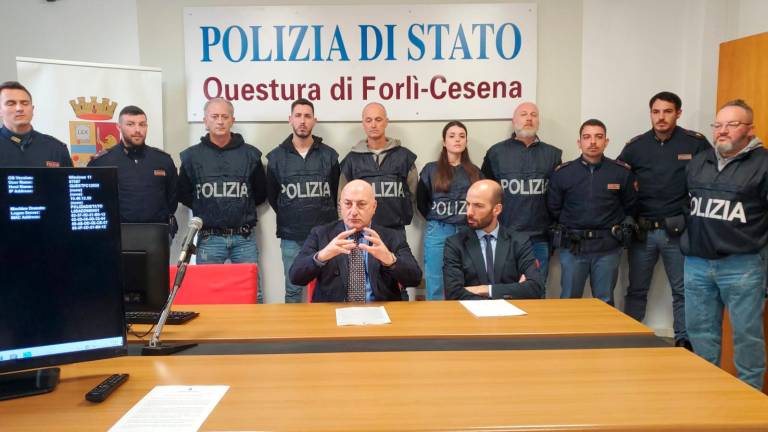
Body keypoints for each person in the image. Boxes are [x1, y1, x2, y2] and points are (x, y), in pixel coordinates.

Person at [681, 99, 767, 390]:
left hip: (741, 266)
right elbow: (686, 206)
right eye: (718, 125)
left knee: (747, 336)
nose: (723, 131)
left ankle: (750, 401)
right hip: (696, 264)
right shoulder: (699, 161)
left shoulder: (763, 164)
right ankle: (708, 395)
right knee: (701, 334)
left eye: (732, 124)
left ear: (750, 129)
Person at [618, 91, 710, 350]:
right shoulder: (636, 146)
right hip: (643, 231)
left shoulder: (695, 143)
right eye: (656, 112)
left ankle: (684, 341)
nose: (661, 117)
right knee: (636, 289)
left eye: (667, 111)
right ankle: (629, 337)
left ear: (678, 113)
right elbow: (620, 182)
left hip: (678, 232)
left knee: (682, 291)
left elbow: (711, 180)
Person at [177, 97, 267, 302]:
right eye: (214, 116)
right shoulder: (191, 157)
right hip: (209, 238)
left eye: (224, 116)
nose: (220, 121)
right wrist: (208, 209)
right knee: (207, 294)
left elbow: (261, 193)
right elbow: (183, 193)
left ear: (232, 120)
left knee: (254, 293)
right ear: (205, 121)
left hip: (244, 238)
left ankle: (255, 333)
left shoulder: (251, 155)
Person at [547, 119, 636, 305]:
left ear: (607, 141)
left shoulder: (621, 172)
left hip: (607, 248)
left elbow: (630, 206)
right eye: (587, 137)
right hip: (573, 248)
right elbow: (553, 208)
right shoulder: (563, 173)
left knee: (604, 302)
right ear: (579, 143)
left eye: (598, 137)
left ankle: (602, 336)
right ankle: (569, 335)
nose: (593, 142)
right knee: (569, 301)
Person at [289, 180, 422, 302]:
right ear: (340, 205)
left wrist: (391, 260)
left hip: (380, 312)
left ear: (374, 206)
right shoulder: (320, 234)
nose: (353, 212)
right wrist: (322, 256)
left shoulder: (391, 236)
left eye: (361, 204)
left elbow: (415, 279)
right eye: (347, 204)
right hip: (332, 313)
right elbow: (295, 277)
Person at [481, 101, 561, 291]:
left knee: (536, 292)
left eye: (534, 115)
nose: (529, 118)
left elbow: (558, 197)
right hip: (503, 237)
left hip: (539, 239)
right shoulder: (496, 153)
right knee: (502, 292)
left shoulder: (553, 155)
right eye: (524, 114)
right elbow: (486, 196)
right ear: (514, 120)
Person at [266, 99, 340, 303]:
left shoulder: (330, 156)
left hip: (326, 235)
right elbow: (274, 197)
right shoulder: (275, 158)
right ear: (290, 119)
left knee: (328, 287)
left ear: (314, 121)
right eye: (298, 115)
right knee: (293, 289)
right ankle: (294, 335)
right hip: (292, 236)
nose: (302, 121)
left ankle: (325, 333)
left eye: (307, 116)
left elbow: (333, 194)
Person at [443, 180, 544, 301]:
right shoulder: (455, 243)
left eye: (478, 206)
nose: (469, 212)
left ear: (497, 209)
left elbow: (535, 288)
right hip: (470, 315)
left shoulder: (518, 241)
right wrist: (515, 290)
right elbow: (453, 292)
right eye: (468, 204)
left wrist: (485, 290)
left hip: (512, 315)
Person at [88, 105, 178, 235]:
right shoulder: (102, 162)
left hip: (156, 234)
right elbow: (93, 202)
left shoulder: (163, 160)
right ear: (118, 127)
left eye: (142, 125)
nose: (137, 130)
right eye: (130, 124)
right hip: (115, 235)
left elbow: (172, 198)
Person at [416, 121, 482, 300]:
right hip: (438, 230)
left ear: (466, 141)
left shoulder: (475, 172)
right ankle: (435, 324)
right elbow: (421, 202)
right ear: (444, 142)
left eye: (461, 136)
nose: (457, 140)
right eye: (452, 136)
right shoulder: (431, 169)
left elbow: (481, 203)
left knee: (468, 280)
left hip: (467, 232)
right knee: (435, 280)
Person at [339, 102, 418, 233]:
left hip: (396, 231)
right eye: (368, 120)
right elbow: (341, 199)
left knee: (395, 255)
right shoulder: (351, 160)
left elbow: (414, 195)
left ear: (386, 122)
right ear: (363, 123)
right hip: (361, 230)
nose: (373, 125)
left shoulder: (404, 157)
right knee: (362, 255)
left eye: (378, 119)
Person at [0, 81, 72, 168]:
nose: (19, 108)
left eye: (25, 103)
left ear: (32, 109)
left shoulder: (56, 148)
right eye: (11, 103)